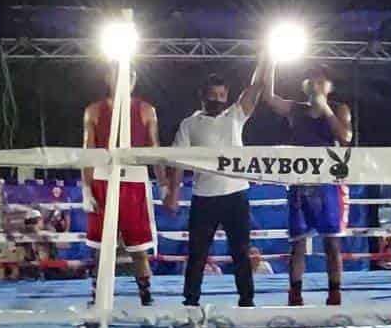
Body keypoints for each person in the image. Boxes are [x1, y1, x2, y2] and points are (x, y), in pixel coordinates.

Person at [165, 61, 267, 306]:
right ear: (202, 97)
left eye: (221, 95)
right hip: (204, 196)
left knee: (241, 252)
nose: (217, 99)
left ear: (227, 95)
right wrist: (173, 193)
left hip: (236, 194)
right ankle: (190, 301)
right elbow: (178, 160)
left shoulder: (235, 115)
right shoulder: (189, 124)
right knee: (197, 254)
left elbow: (256, 87)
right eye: (212, 96)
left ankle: (246, 301)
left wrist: (267, 58)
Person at [263, 65, 353, 305]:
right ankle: (295, 293)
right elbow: (269, 98)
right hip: (301, 181)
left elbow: (345, 138)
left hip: (329, 184)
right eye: (311, 80)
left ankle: (334, 293)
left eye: (321, 81)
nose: (316, 84)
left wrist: (325, 109)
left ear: (329, 86)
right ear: (305, 86)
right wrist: (270, 63)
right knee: (298, 243)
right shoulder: (296, 109)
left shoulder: (339, 109)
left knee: (332, 242)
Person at [82, 68, 163, 307]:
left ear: (134, 81)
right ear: (108, 79)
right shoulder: (94, 110)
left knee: (139, 249)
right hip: (103, 180)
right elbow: (88, 151)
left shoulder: (146, 110)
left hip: (135, 181)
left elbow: (154, 149)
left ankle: (146, 296)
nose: (122, 82)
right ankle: (97, 295)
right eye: (117, 77)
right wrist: (86, 188)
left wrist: (164, 184)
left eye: (128, 78)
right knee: (100, 248)